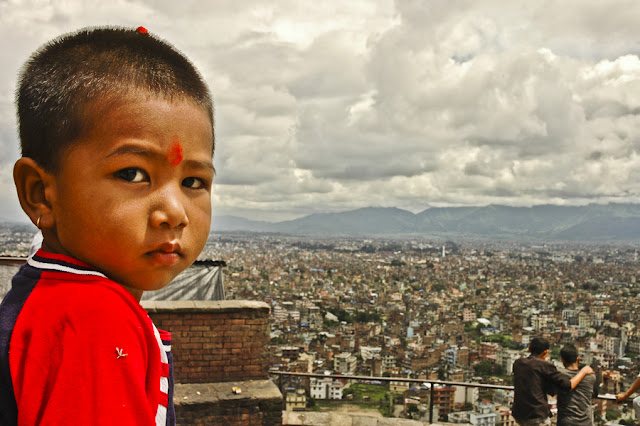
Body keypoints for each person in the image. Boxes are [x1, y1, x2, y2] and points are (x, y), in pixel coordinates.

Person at [0, 26, 214, 425]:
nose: (175, 212)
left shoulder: (51, 298)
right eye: (132, 174)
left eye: (193, 181)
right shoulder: (94, 321)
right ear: (41, 193)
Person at [512, 337, 594, 425]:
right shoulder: (545, 365)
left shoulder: (518, 363)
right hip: (536, 414)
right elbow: (568, 385)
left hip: (519, 413)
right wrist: (584, 371)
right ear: (545, 352)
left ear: (529, 349)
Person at [556, 344, 599, 426]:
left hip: (566, 422)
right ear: (578, 359)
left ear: (562, 360)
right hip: (586, 422)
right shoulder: (590, 376)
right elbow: (595, 394)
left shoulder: (559, 375)